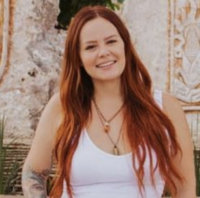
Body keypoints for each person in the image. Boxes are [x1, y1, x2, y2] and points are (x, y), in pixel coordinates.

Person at [22, 5, 196, 198]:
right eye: (91, 47)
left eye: (111, 41)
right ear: (78, 57)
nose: (103, 52)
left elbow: (185, 189)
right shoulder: (63, 106)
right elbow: (33, 174)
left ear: (125, 45)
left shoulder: (165, 108)